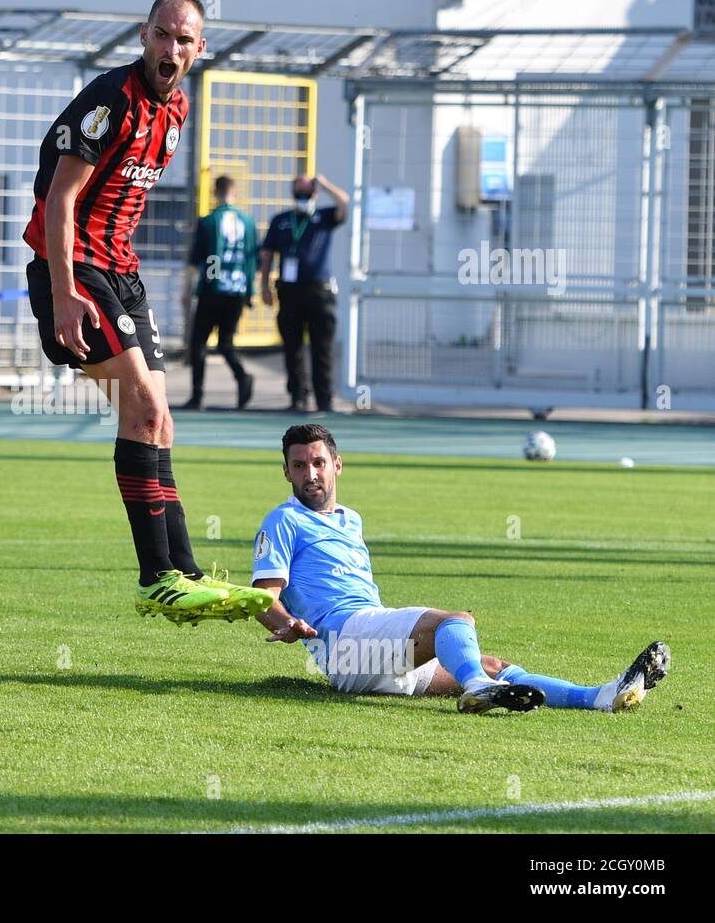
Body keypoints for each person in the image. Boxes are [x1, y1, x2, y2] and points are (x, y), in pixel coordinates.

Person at [22, 0, 270, 626]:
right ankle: (155, 577)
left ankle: (183, 572)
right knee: (144, 407)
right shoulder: (112, 100)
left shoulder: (178, 109)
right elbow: (58, 198)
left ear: (199, 49)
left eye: (184, 41)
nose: (171, 49)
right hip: (79, 268)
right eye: (162, 35)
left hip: (123, 272)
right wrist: (64, 291)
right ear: (144, 36)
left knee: (161, 422)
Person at [250, 423, 671, 713]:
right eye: (300, 465)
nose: (311, 473)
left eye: (318, 462)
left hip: (371, 655)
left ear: (337, 465)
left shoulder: (350, 518)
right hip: (345, 641)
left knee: (491, 665)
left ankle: (597, 696)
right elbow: (263, 598)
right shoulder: (283, 520)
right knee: (456, 621)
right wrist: (286, 623)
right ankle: (476, 691)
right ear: (286, 471)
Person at [258, 174, 348, 413]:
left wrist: (325, 183)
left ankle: (324, 399)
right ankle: (298, 396)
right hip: (290, 293)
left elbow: (345, 204)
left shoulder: (324, 217)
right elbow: (267, 255)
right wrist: (264, 286)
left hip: (319, 292)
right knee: (293, 349)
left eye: (307, 195)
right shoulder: (281, 221)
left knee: (322, 349)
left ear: (314, 195)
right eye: (299, 195)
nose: (302, 199)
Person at [180, 175, 257, 411]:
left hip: (212, 289)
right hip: (237, 289)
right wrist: (249, 291)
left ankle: (197, 396)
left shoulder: (209, 222)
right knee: (226, 342)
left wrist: (187, 291)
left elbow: (195, 262)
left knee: (198, 343)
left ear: (215, 193)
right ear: (234, 193)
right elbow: (252, 260)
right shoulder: (248, 223)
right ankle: (243, 376)